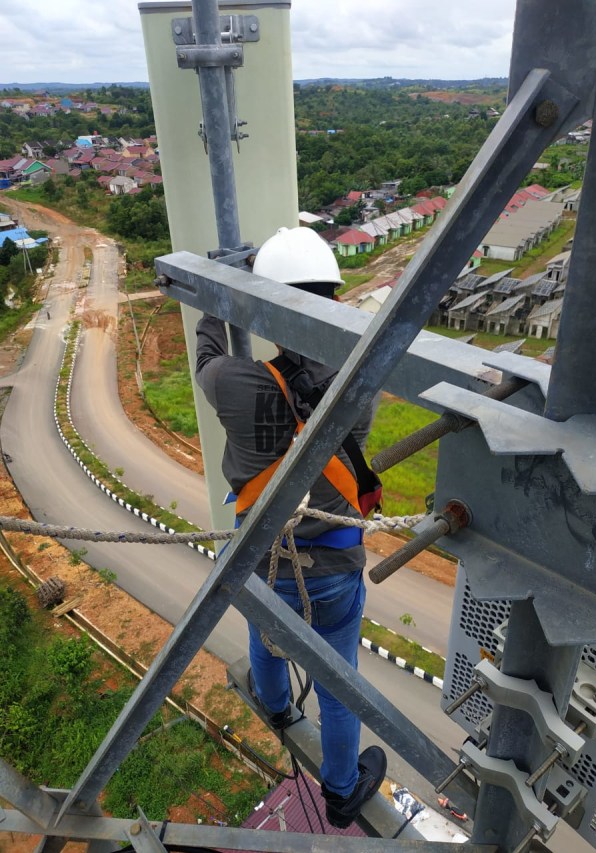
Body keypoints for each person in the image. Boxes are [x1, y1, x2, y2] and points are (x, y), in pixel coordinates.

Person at [195, 226, 386, 829]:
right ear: (329, 298)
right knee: (337, 679)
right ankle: (339, 790)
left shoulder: (237, 384)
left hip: (262, 557)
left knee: (266, 624)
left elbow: (206, 355)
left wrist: (221, 293)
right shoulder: (362, 381)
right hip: (332, 563)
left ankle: (274, 705)